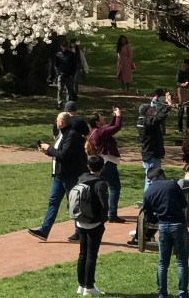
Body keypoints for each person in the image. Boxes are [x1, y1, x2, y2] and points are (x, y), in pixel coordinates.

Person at [27, 111, 87, 242]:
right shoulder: (62, 134)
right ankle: (44, 230)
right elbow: (59, 153)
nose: (56, 122)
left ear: (62, 122)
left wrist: (49, 149)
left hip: (70, 175)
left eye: (57, 120)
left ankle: (80, 232)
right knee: (53, 202)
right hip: (59, 175)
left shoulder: (72, 135)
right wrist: (47, 151)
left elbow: (64, 155)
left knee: (73, 203)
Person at [141, 167, 189, 298]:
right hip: (178, 224)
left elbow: (148, 215)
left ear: (149, 179)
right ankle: (182, 293)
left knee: (163, 262)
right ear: (162, 175)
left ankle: (162, 293)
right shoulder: (172, 184)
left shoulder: (148, 192)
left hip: (163, 226)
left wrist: (157, 219)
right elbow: (184, 204)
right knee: (181, 261)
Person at [73, 155, 110, 296]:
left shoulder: (81, 179)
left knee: (82, 253)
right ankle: (89, 286)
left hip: (80, 220)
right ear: (102, 167)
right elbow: (104, 205)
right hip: (94, 222)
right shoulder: (100, 183)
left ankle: (81, 285)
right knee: (91, 255)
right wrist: (103, 219)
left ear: (88, 166)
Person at [87, 107, 126, 223]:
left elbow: (110, 127)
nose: (103, 118)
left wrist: (114, 116)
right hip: (107, 162)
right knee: (114, 187)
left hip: (101, 162)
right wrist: (118, 115)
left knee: (102, 188)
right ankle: (112, 214)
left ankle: (102, 212)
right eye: (101, 117)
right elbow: (116, 127)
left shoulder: (94, 131)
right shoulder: (100, 131)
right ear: (97, 121)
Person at [138, 92, 172, 189]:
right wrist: (168, 106)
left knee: (151, 178)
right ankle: (148, 199)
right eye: (151, 109)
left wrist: (166, 102)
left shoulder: (144, 120)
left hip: (151, 154)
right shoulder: (146, 122)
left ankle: (148, 199)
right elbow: (159, 118)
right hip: (151, 155)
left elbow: (158, 115)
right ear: (147, 112)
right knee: (152, 178)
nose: (153, 110)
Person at [54, 40, 79, 107]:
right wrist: (58, 73)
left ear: (67, 46)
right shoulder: (59, 54)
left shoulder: (71, 54)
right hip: (61, 75)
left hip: (69, 75)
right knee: (60, 90)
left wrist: (72, 74)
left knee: (69, 91)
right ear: (61, 47)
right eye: (63, 46)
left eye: (65, 46)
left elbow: (74, 65)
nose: (64, 48)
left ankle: (68, 104)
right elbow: (56, 65)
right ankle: (60, 103)